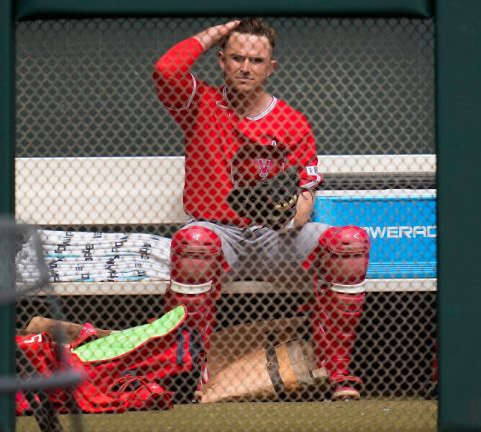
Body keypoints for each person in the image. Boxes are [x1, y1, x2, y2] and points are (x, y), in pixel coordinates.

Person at [153, 18, 371, 401]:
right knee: (193, 243)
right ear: (221, 60)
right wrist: (213, 33)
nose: (245, 67)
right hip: (219, 234)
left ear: (271, 67)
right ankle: (187, 371)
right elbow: (166, 70)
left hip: (276, 237)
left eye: (256, 60)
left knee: (349, 244)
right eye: (236, 57)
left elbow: (306, 196)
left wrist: (285, 215)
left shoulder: (292, 122)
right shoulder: (199, 103)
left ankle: (335, 370)